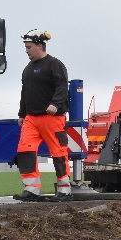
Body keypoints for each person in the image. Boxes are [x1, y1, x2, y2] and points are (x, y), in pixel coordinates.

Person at [13, 29, 72, 202]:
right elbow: (25, 93)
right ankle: (31, 188)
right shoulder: (27, 70)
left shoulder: (55, 64)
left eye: (29, 47)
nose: (26, 51)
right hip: (31, 118)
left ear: (40, 45)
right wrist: (22, 114)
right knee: (25, 151)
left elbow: (62, 87)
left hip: (52, 118)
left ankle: (64, 189)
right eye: (25, 47)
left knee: (58, 152)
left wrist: (55, 104)